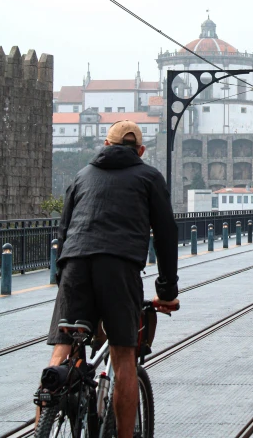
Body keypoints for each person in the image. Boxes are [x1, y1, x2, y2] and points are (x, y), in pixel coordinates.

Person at [42, 121, 179, 438]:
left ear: (105, 144)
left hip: (75, 266)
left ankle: (42, 427)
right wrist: (167, 291)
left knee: (61, 354)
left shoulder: (82, 176)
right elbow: (166, 235)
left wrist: (65, 281)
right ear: (141, 151)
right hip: (118, 268)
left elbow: (63, 233)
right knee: (123, 356)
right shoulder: (149, 177)